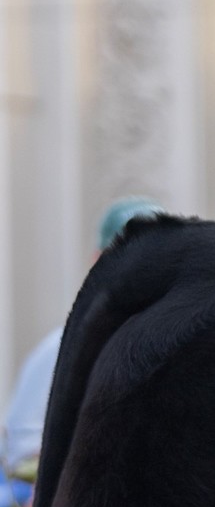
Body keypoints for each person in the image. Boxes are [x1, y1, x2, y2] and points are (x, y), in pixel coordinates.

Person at [3, 197, 164, 491]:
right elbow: (22, 461)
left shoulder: (179, 345)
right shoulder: (60, 349)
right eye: (126, 252)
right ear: (97, 261)